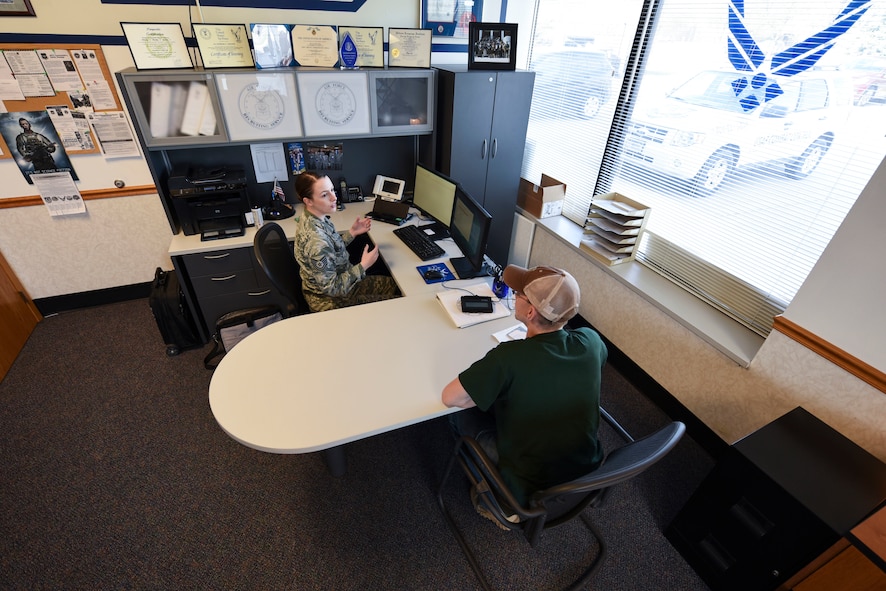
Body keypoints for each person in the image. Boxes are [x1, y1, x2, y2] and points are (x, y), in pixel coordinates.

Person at [442, 264, 607, 508]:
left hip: (529, 486)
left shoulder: (508, 358)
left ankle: (498, 502)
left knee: (456, 416)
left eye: (518, 294)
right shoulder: (591, 341)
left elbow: (450, 397)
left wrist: (489, 389)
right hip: (584, 473)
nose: (513, 295)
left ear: (530, 312)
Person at [293, 171, 399, 312]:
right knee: (396, 303)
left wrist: (352, 233)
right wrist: (363, 265)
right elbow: (333, 288)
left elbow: (331, 250)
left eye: (332, 190)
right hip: (330, 300)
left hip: (341, 280)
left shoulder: (314, 217)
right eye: (324, 195)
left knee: (393, 286)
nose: (334, 197)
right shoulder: (316, 241)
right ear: (308, 201)